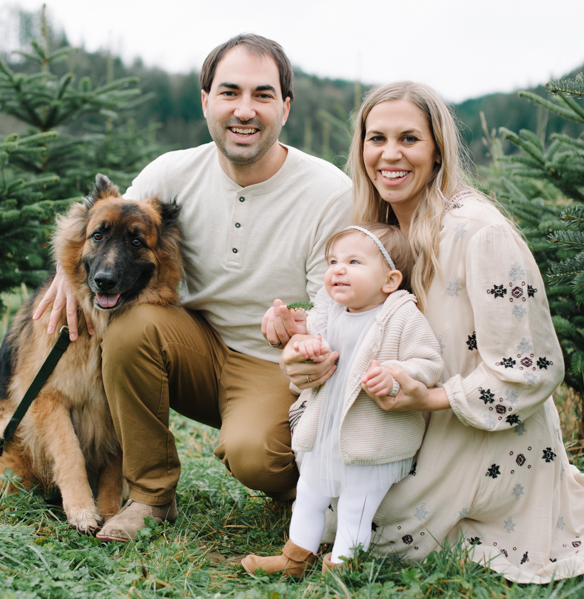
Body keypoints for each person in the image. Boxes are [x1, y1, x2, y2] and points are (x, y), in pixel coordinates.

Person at [263, 81, 584, 583]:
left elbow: (533, 371)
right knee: (330, 503)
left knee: (367, 524)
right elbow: (356, 325)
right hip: (397, 426)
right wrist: (302, 343)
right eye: (376, 139)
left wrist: (428, 398)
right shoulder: (377, 231)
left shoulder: (480, 233)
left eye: (409, 139)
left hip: (479, 434)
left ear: (438, 151)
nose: (390, 154)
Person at [33, 34, 352, 542]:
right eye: (229, 92)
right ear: (206, 100)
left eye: (262, 95)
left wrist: (301, 336)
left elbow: (335, 313)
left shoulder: (329, 191)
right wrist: (68, 277)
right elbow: (100, 229)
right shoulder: (171, 172)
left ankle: (306, 485)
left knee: (255, 456)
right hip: (194, 347)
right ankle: (151, 497)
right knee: (130, 323)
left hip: (273, 363)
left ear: (285, 107)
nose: (244, 110)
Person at [242, 223, 443, 576]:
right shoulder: (329, 313)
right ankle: (294, 558)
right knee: (308, 495)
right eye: (333, 261)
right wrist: (304, 346)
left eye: (353, 262)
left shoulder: (401, 317)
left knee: (356, 506)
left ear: (390, 281)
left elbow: (428, 363)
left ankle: (342, 566)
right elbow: (310, 346)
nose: (337, 269)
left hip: (372, 435)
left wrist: (394, 375)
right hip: (327, 431)